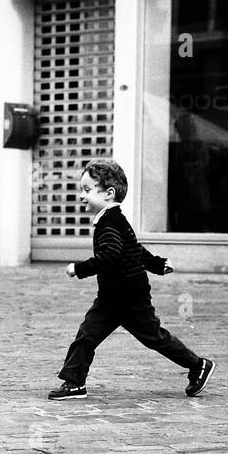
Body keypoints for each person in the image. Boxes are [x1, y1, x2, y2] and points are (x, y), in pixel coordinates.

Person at [49, 158, 215, 401]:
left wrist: (80, 268)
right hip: (113, 297)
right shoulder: (114, 219)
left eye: (87, 189)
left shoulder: (109, 223)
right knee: (87, 335)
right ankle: (74, 383)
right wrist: (158, 264)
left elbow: (111, 255)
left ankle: (198, 365)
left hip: (128, 297)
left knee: (154, 338)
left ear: (108, 193)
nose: (81, 195)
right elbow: (134, 249)